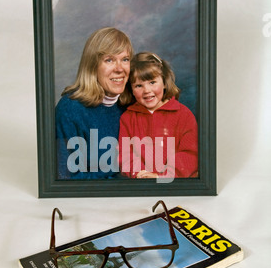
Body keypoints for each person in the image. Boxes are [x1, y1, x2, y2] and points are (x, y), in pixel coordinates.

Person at [55, 27, 134, 179]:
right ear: (92, 66)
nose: (119, 69)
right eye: (109, 60)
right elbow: (65, 177)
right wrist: (116, 167)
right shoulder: (70, 110)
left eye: (125, 59)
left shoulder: (133, 104)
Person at [118, 52, 198, 179]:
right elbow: (125, 154)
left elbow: (190, 154)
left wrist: (163, 176)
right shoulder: (128, 118)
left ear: (165, 82)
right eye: (139, 85)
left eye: (152, 82)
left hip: (176, 183)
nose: (147, 91)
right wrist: (140, 174)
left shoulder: (183, 115)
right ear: (131, 90)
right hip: (141, 183)